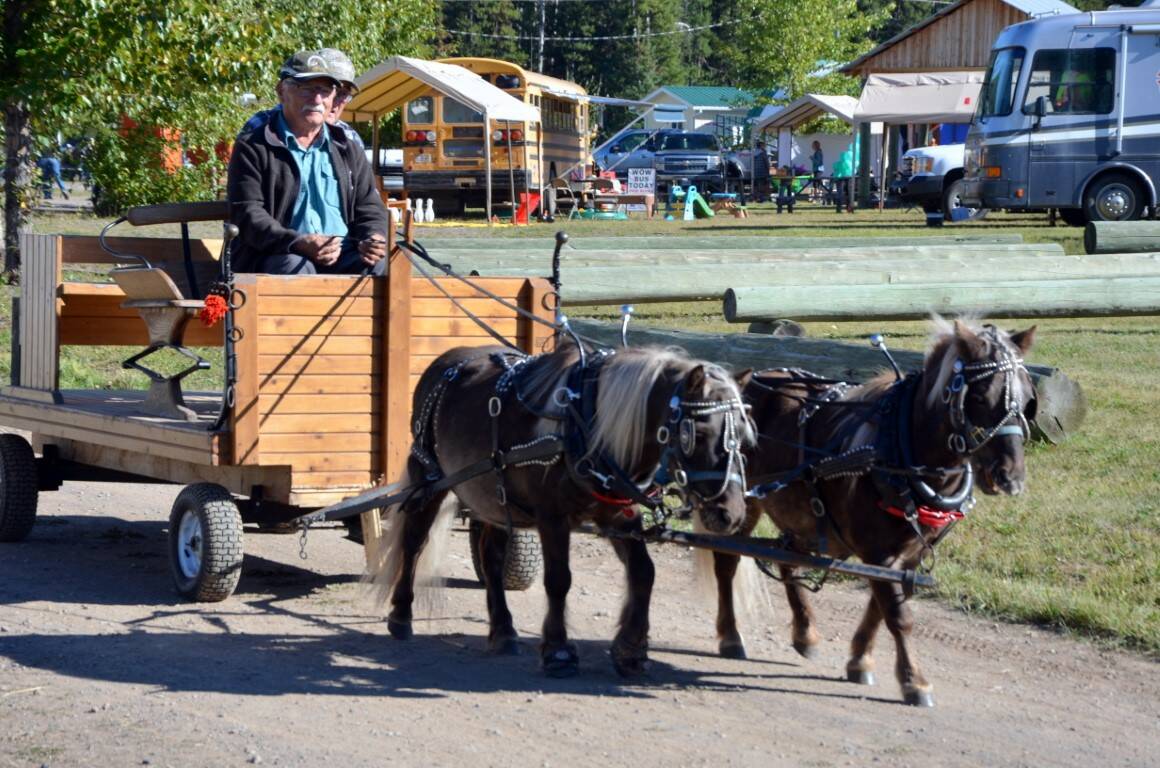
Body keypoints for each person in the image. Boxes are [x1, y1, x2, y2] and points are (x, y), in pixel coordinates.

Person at [227, 49, 389, 275]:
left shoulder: (347, 146)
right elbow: (248, 213)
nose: (317, 100)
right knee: (295, 268)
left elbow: (369, 206)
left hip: (343, 253)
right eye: (306, 89)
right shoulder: (254, 145)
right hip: (279, 252)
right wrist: (298, 242)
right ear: (282, 91)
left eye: (325, 90)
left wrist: (373, 237)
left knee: (383, 268)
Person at [239, 47, 364, 150]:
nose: (333, 101)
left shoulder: (349, 138)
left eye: (342, 94)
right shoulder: (261, 125)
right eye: (313, 89)